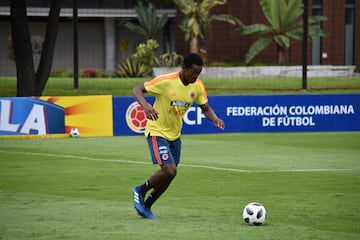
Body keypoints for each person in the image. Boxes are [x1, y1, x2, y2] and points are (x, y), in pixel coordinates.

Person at [132, 53, 225, 219]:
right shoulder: (166, 81)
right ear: (184, 69)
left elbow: (205, 109)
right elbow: (137, 89)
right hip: (157, 131)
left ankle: (147, 206)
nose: (196, 77)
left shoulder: (197, 86)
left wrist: (215, 118)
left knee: (171, 174)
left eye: (198, 74)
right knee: (169, 170)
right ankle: (140, 190)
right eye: (193, 73)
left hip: (175, 135)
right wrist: (146, 106)